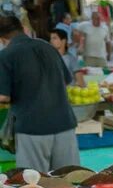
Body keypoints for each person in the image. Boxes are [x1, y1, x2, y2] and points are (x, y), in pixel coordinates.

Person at [0, 16, 79, 173]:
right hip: (64, 125)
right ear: (23, 28)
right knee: (69, 183)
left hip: (32, 127)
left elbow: (3, 96)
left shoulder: (6, 55)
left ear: (2, 38)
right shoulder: (48, 47)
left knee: (34, 186)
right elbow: (66, 81)